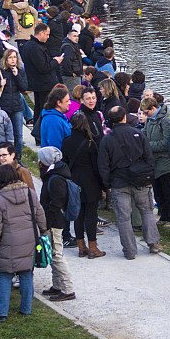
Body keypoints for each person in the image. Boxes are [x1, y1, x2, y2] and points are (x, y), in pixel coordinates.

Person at [97, 106, 161, 259]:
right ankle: (153, 244)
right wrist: (148, 176)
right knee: (146, 211)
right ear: (124, 118)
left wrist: (107, 185)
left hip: (119, 183)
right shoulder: (138, 133)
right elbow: (149, 158)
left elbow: (103, 165)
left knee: (123, 218)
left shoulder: (107, 139)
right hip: (140, 181)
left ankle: (130, 251)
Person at [0, 164, 47, 321]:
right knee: (27, 273)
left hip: (9, 241)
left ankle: (1, 313)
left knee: (5, 276)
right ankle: (26, 309)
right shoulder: (30, 193)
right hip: (30, 240)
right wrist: (42, 232)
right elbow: (40, 215)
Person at [62, 110, 105, 258]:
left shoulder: (66, 141)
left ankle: (81, 247)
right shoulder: (90, 143)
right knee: (91, 216)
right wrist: (103, 186)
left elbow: (65, 163)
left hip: (74, 182)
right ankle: (93, 247)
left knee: (78, 215)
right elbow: (96, 167)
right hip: (90, 182)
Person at [38, 147, 76, 300]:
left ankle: (68, 289)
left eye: (40, 159)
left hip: (54, 223)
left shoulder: (56, 179)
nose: (38, 162)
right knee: (53, 253)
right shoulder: (53, 175)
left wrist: (47, 223)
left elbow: (56, 204)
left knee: (57, 255)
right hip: (52, 221)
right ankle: (57, 286)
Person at [140, 96, 170, 226]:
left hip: (165, 162)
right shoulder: (151, 120)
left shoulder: (166, 120)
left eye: (146, 112)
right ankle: (164, 216)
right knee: (158, 191)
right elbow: (144, 134)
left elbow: (166, 143)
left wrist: (147, 146)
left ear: (153, 108)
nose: (145, 116)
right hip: (155, 163)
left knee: (169, 191)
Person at [0, 48, 28, 160]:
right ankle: (5, 157)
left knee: (18, 135)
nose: (13, 60)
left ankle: (17, 158)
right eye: (10, 57)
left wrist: (17, 75)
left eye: (14, 57)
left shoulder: (20, 70)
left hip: (17, 106)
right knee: (5, 135)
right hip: (4, 107)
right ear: (6, 59)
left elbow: (24, 87)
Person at [20, 23, 63, 123]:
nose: (48, 37)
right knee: (44, 110)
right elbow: (43, 67)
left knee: (39, 109)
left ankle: (38, 132)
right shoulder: (36, 47)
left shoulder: (29, 45)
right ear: (41, 33)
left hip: (37, 83)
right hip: (44, 84)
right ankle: (40, 133)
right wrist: (56, 61)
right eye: (47, 34)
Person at [40, 84, 72, 149]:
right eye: (67, 101)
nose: (70, 103)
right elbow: (55, 147)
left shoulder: (59, 117)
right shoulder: (53, 121)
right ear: (59, 103)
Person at [60, 27, 84, 94]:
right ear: (69, 37)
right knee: (73, 94)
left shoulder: (73, 45)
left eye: (77, 36)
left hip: (75, 74)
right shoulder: (68, 47)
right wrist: (70, 73)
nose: (77, 38)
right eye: (74, 36)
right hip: (71, 77)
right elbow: (66, 61)